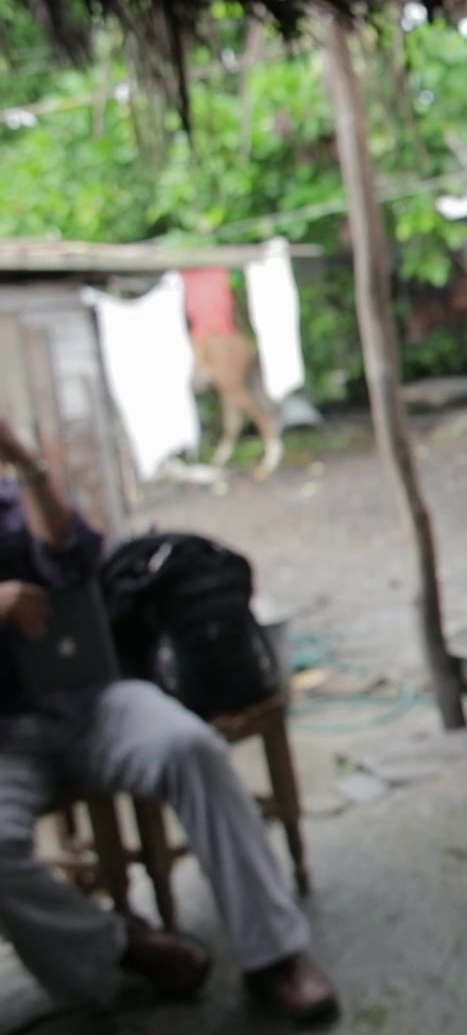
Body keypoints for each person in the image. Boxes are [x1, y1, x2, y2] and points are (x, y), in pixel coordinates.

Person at [0, 419, 338, 1022]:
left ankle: (274, 955)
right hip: (6, 744)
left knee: (191, 747)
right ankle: (118, 946)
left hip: (88, 700)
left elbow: (74, 553)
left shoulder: (11, 501)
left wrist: (21, 457)